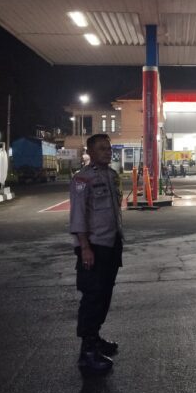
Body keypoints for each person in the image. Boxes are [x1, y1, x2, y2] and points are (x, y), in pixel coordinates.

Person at [69, 133, 124, 376]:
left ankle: (96, 338)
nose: (107, 151)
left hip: (111, 243)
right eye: (102, 148)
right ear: (90, 152)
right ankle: (87, 352)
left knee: (105, 294)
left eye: (109, 148)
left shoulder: (111, 176)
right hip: (93, 246)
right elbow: (78, 215)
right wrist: (85, 247)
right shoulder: (82, 178)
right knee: (92, 297)